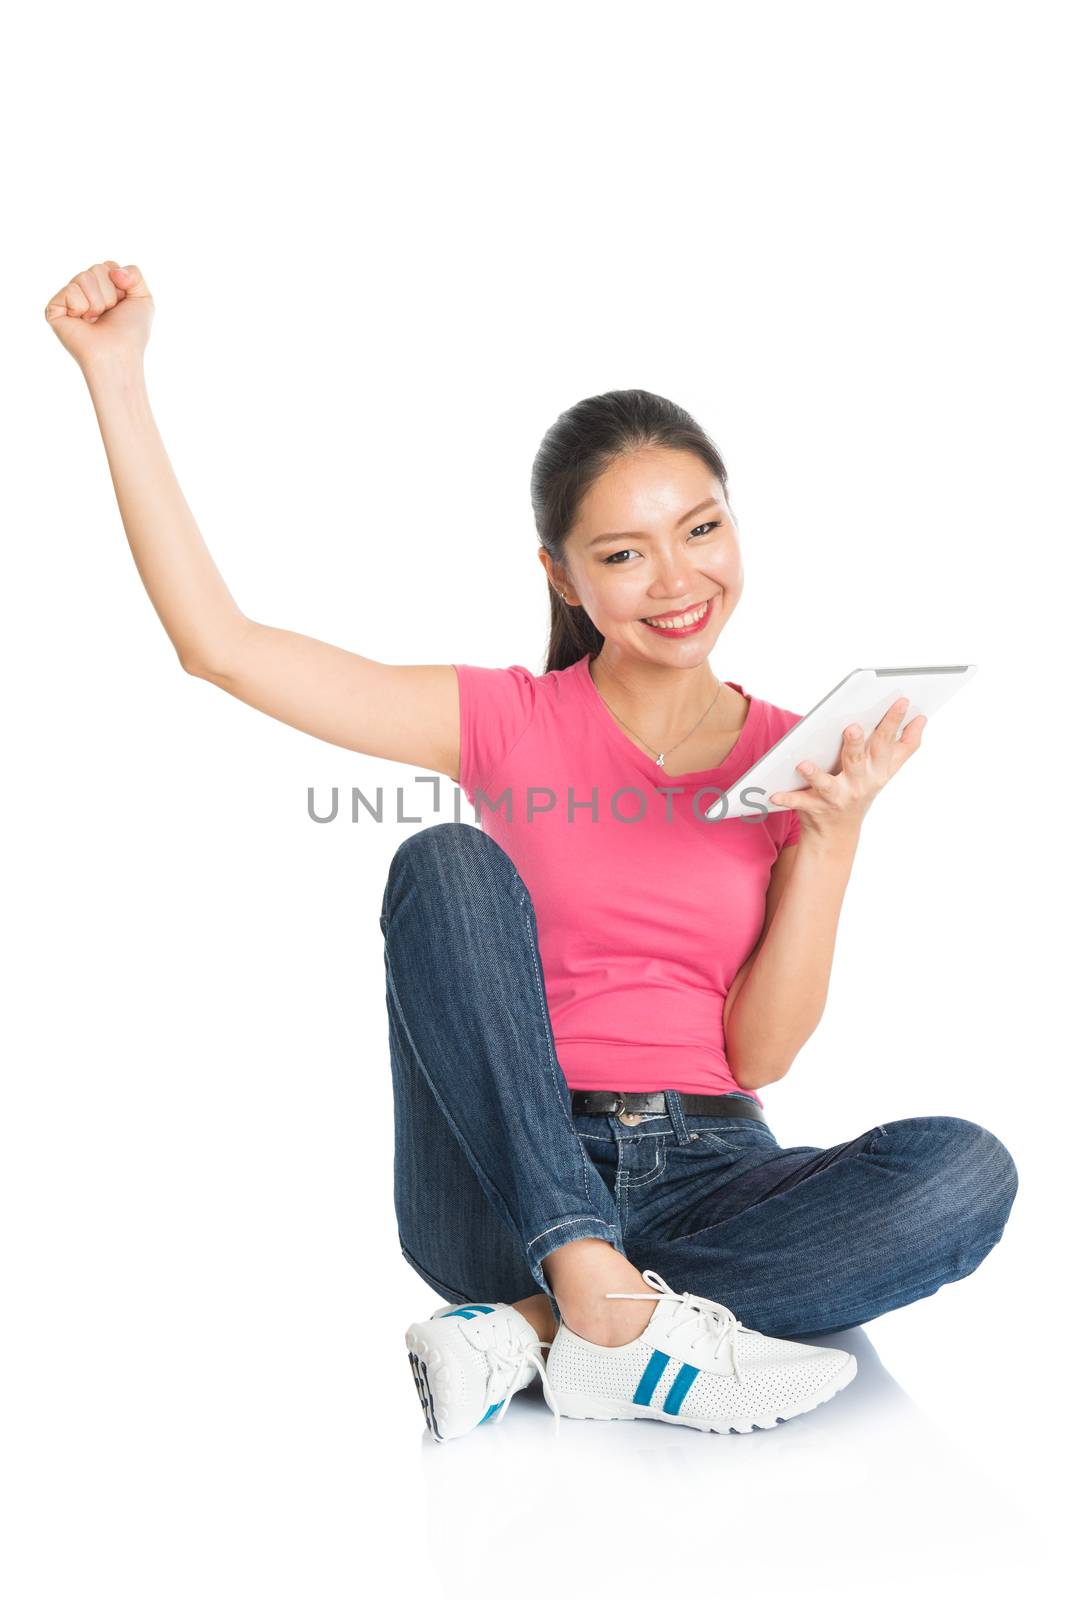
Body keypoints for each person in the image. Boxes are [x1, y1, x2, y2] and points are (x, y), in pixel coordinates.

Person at [46, 261, 1019, 1446]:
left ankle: (532, 1328)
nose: (679, 580)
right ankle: (589, 1282)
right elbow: (224, 647)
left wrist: (831, 837)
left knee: (965, 1174)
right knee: (445, 861)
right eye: (624, 554)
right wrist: (116, 375)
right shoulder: (510, 719)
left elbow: (762, 1050)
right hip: (506, 1164)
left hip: (708, 1162)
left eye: (702, 529)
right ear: (561, 573)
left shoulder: (794, 759)